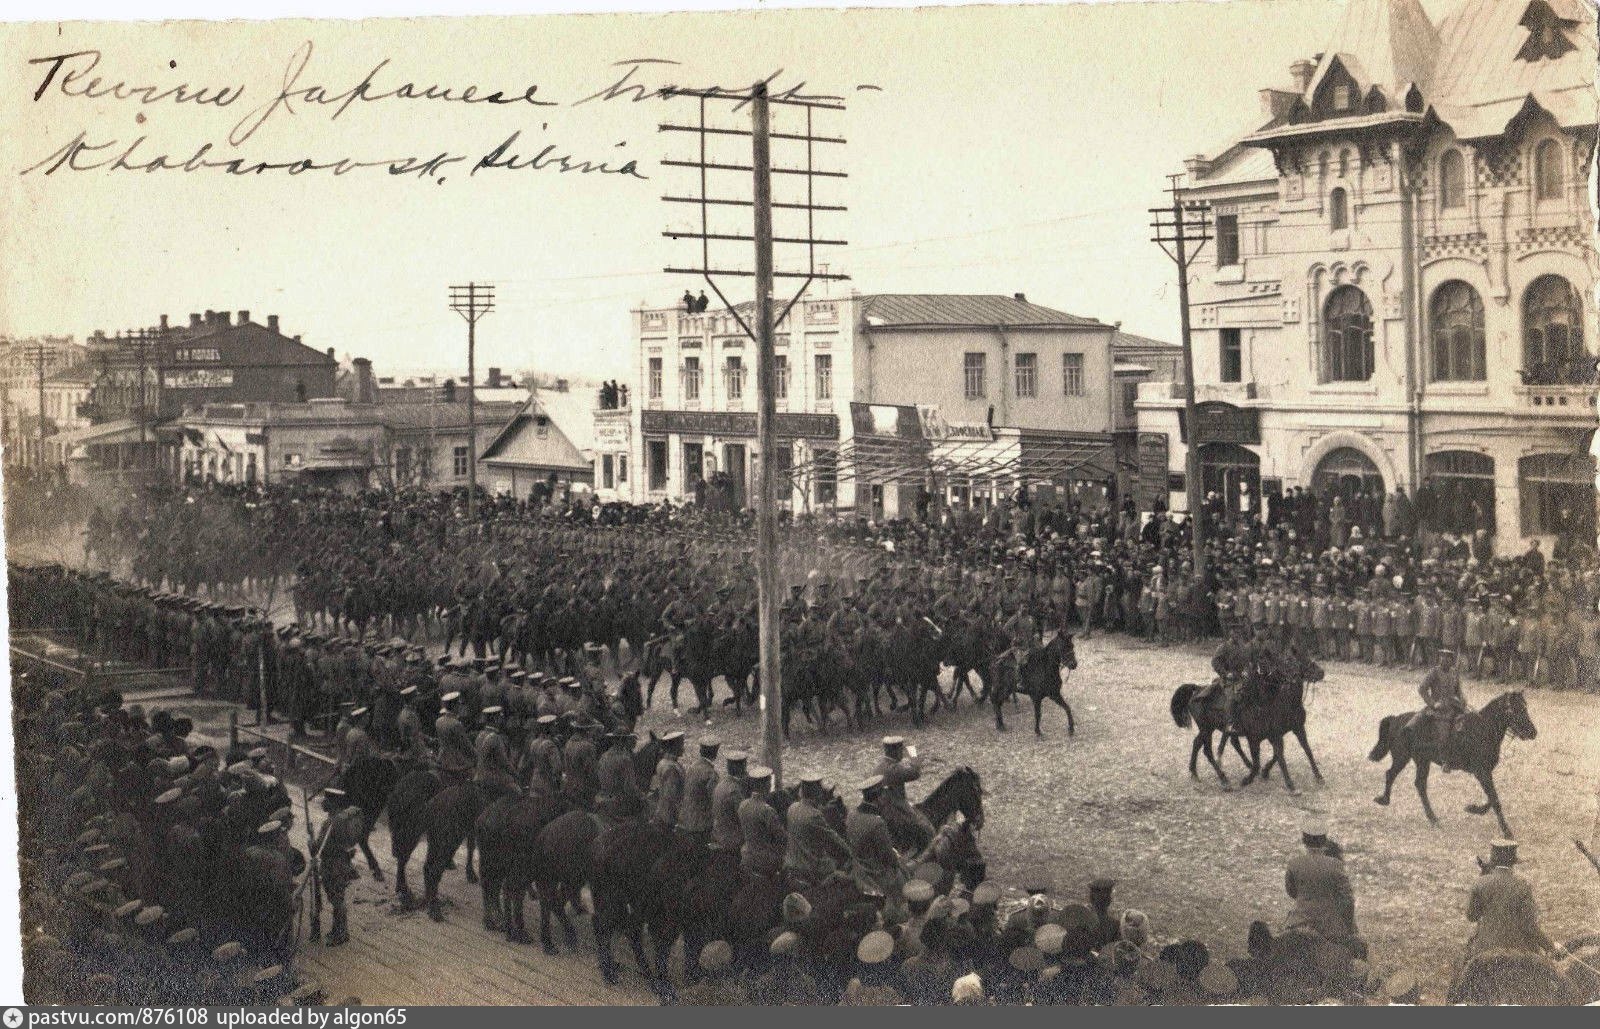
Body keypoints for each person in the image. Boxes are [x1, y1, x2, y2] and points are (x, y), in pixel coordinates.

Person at [1464, 840, 1561, 961]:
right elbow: (1529, 926)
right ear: (1513, 862)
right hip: (1518, 951)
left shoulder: (1479, 883)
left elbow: (1471, 916)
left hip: (1484, 948)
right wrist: (1550, 947)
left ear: (1492, 860)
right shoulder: (1522, 886)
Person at [1283, 816, 1362, 957]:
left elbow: (1292, 892)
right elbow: (1347, 900)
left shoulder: (1294, 864)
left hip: (1299, 922)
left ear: (1303, 840)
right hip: (1330, 927)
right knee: (1359, 950)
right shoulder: (1335, 865)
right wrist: (1349, 927)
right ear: (1324, 840)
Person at [312, 787, 368, 947]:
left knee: (336, 900)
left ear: (332, 803)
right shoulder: (342, 820)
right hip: (342, 863)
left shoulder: (330, 824)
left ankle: (341, 933)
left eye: (326, 800)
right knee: (339, 898)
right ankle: (339, 930)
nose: (323, 803)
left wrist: (311, 843)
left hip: (332, 865)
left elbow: (317, 849)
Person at [783, 774, 852, 890]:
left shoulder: (792, 808)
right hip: (811, 869)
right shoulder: (814, 815)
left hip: (792, 864)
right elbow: (834, 839)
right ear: (817, 793)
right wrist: (851, 852)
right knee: (845, 876)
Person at [1411, 649, 1468, 770]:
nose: (1444, 660)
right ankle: (1444, 760)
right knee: (1444, 733)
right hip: (1439, 709)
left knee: (1467, 723)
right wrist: (1433, 703)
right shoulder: (1434, 672)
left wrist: (1463, 699)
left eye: (1448, 658)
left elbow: (1458, 690)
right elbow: (1422, 689)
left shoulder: (1454, 672)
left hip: (1453, 705)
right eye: (1442, 657)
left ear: (1451, 660)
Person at [872, 736, 934, 848]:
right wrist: (913, 756)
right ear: (894, 751)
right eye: (901, 750)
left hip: (882, 807)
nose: (902, 753)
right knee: (926, 828)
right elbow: (915, 773)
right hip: (893, 811)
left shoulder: (879, 766)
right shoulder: (893, 769)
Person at [737, 765, 787, 880]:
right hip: (765, 861)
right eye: (769, 783)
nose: (770, 785)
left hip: (746, 856)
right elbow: (781, 837)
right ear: (766, 785)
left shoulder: (743, 805)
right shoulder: (767, 811)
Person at [677, 736, 719, 849]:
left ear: (700, 751)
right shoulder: (710, 773)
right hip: (701, 825)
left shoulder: (692, 767)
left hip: (685, 819)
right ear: (716, 752)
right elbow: (715, 801)